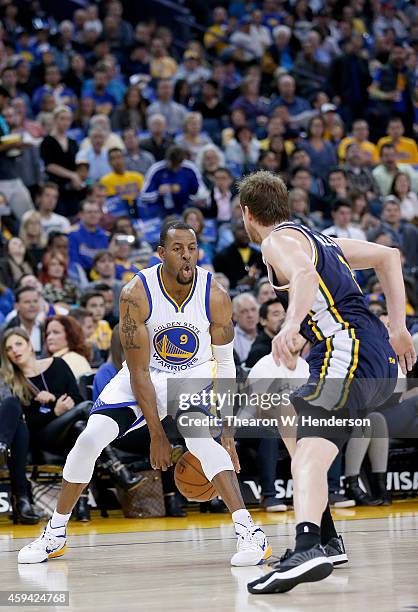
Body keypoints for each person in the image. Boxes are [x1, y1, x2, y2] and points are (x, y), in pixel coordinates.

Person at [18, 221, 270, 567]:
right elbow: (137, 371)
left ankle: (250, 533)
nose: (186, 256)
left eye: (192, 248)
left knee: (202, 441)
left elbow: (225, 365)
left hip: (192, 378)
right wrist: (156, 433)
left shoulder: (215, 296)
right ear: (161, 253)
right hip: (145, 377)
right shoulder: (136, 293)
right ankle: (55, 533)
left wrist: (226, 429)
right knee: (89, 440)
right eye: (178, 249)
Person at [238, 170, 414, 594]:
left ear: (247, 213)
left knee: (309, 443)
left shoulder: (277, 241)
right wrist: (398, 326)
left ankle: (307, 545)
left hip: (346, 348)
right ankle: (328, 539)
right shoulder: (321, 239)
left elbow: (303, 278)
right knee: (291, 421)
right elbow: (389, 255)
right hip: (370, 353)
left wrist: (291, 324)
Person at [100, 148, 144, 220]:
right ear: (109, 162)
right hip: (120, 215)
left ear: (124, 158)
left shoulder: (137, 177)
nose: (117, 161)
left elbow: (143, 197)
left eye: (119, 157)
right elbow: (112, 203)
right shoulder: (105, 181)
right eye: (113, 158)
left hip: (139, 211)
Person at [44, 316, 93, 380]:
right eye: (48, 334)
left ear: (70, 335)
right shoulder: (69, 357)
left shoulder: (72, 359)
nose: (49, 338)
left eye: (56, 332)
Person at [68, 200, 109, 275]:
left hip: (101, 275)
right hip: (79, 276)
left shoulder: (105, 236)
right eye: (89, 212)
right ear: (81, 214)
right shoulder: (72, 234)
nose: (93, 215)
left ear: (100, 214)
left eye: (96, 212)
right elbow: (74, 263)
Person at [246, 299, 285, 368]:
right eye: (276, 314)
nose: (282, 318)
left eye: (285, 314)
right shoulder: (259, 351)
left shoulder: (287, 343)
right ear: (263, 320)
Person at [232, 293, 259, 364]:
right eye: (244, 311)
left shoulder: (267, 332)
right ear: (235, 316)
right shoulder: (230, 338)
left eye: (253, 310)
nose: (250, 315)